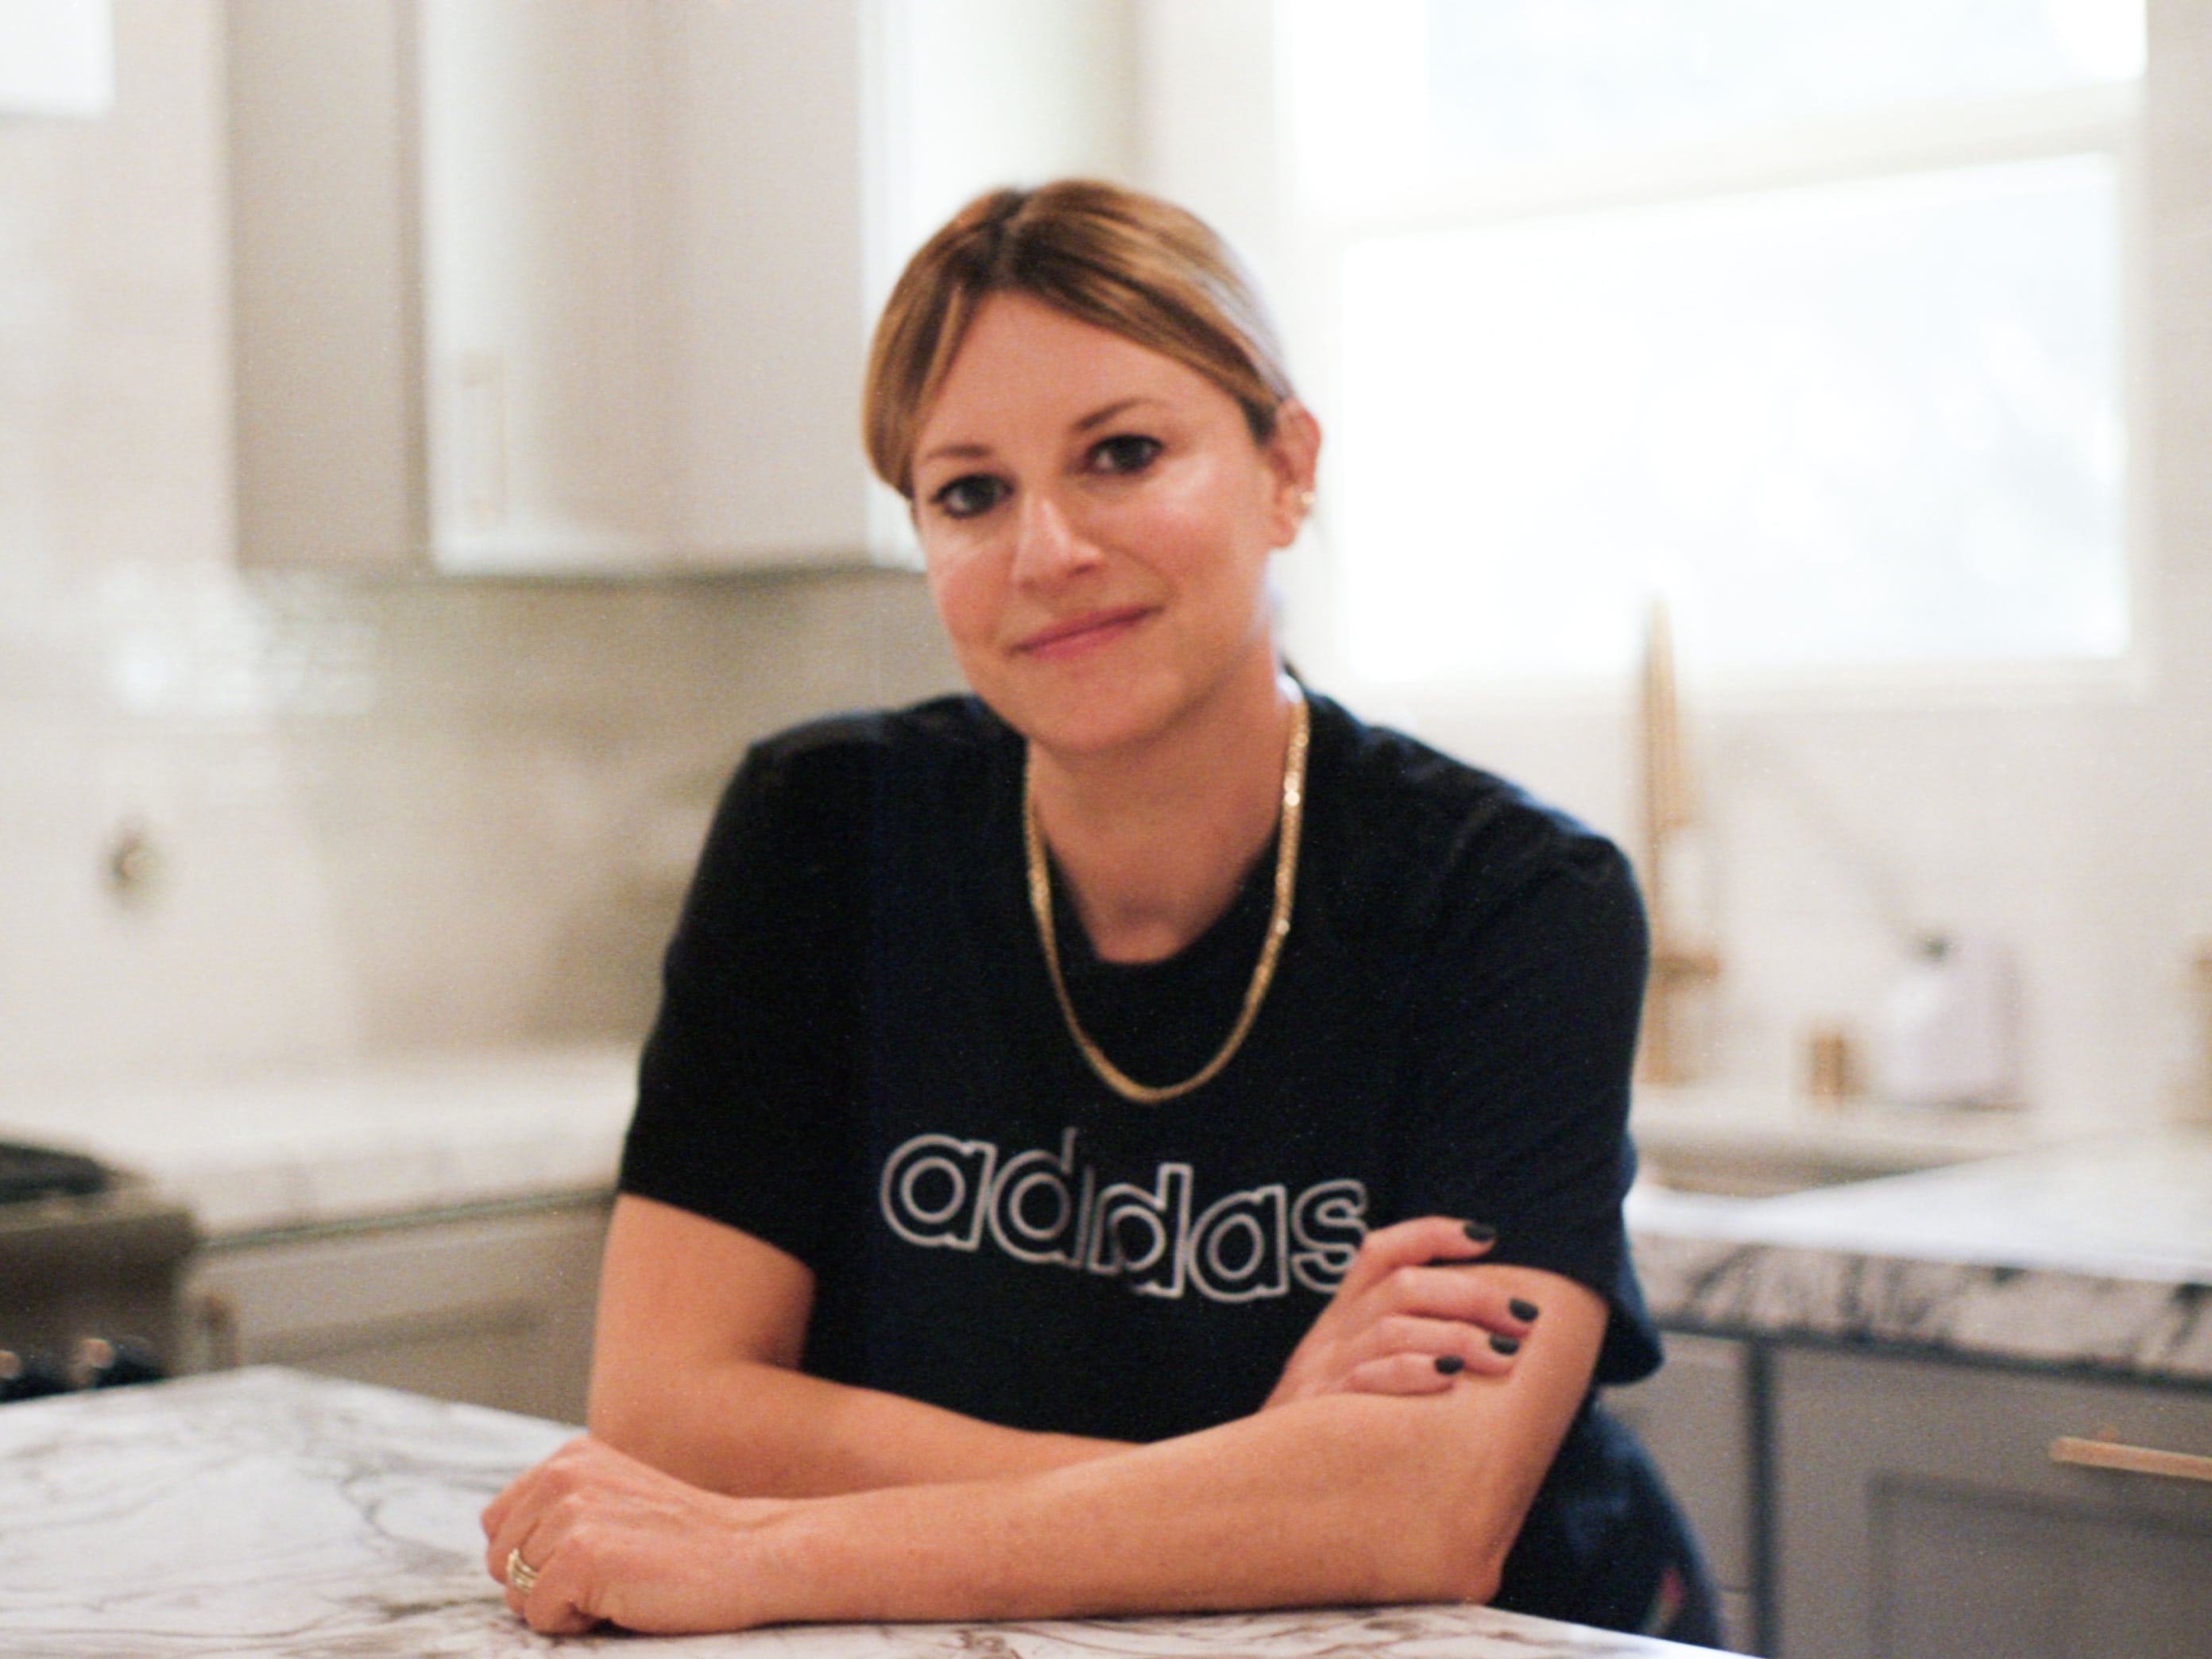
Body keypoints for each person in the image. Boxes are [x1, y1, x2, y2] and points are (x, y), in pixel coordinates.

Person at [481, 179, 1718, 1645]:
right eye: (970, 492)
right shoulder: (824, 829)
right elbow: (666, 1409)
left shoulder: (1513, 905)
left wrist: (767, 1555)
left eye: (1123, 455)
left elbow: (1427, 1517)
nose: (1045, 550)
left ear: (1286, 468)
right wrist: (1254, 1490)